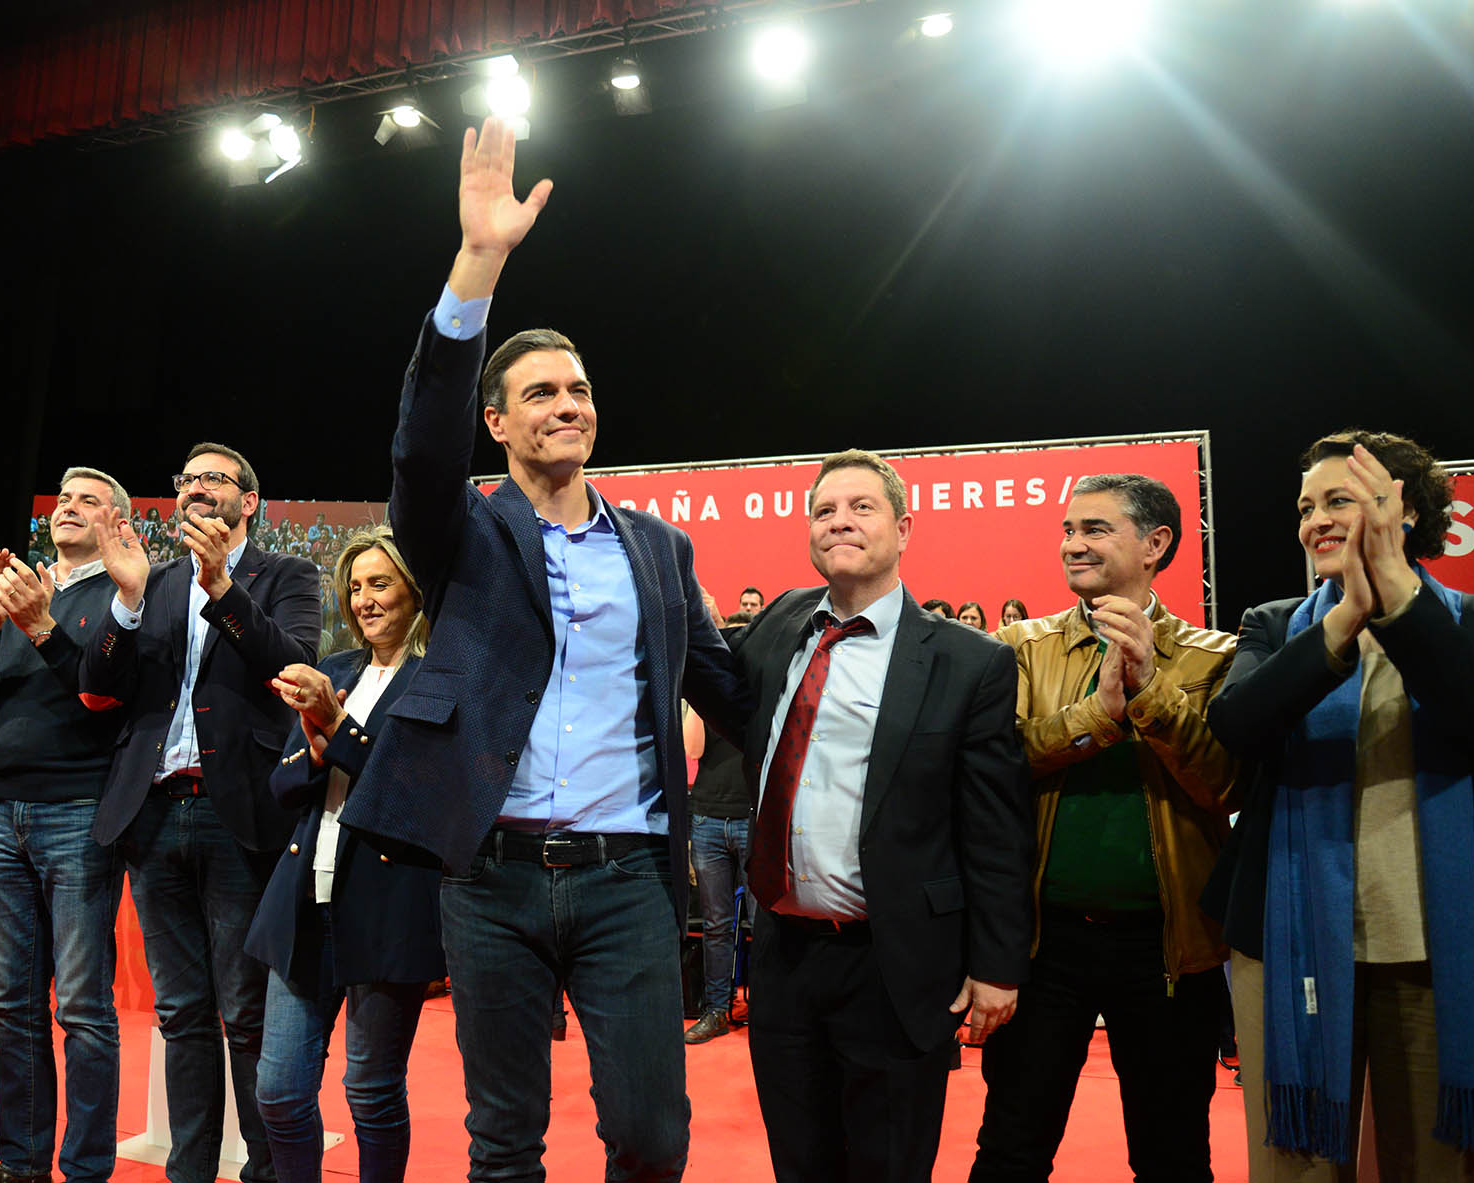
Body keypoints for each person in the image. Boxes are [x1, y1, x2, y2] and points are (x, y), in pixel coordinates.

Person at [334, 116, 751, 1182]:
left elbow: (724, 683)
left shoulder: (658, 548)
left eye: (578, 391)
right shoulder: (461, 528)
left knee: (652, 1140)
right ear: (497, 422)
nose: (566, 405)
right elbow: (417, 442)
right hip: (492, 876)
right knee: (502, 1139)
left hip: (627, 879)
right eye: (540, 394)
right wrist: (479, 261)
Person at [1202, 431, 1474, 1181]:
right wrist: (1343, 621)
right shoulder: (1275, 623)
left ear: (1401, 510)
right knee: (1296, 1168)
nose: (1315, 521)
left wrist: (1397, 604)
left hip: (1440, 947)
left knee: (1440, 1165)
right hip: (1289, 940)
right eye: (1306, 507)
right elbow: (1237, 725)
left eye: (1339, 499)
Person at [730, 449, 1033, 1181]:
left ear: (903, 529)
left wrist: (997, 965)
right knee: (800, 1165)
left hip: (894, 966)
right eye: (825, 510)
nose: (840, 521)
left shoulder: (969, 662)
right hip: (784, 960)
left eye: (861, 507)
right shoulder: (777, 625)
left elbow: (996, 831)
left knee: (889, 1166)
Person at [970, 473, 1238, 1183]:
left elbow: (1223, 781)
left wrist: (1152, 689)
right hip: (1040, 946)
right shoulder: (1016, 648)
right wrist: (1099, 718)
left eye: (1094, 528)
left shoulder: (1217, 657)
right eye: (1067, 529)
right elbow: (997, 766)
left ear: (1156, 544)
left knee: (1174, 1155)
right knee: (1010, 1149)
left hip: (1171, 952)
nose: (1072, 544)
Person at [80, 443, 320, 1183]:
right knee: (181, 1012)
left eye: (214, 478)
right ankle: (190, 1169)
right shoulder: (149, 581)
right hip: (153, 812)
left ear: (249, 500)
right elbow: (98, 683)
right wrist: (124, 600)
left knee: (245, 1014)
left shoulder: (287, 575)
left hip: (237, 814)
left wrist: (222, 588)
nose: (195, 488)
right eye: (186, 478)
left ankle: (268, 1169)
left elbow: (292, 662)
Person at [0, 466, 133, 1183]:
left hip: (78, 811)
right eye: (63, 498)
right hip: (4, 813)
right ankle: (21, 1165)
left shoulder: (124, 593)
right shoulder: (13, 593)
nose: (69, 507)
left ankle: (84, 1169)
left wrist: (41, 625)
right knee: (11, 1002)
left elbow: (102, 698)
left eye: (89, 499)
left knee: (81, 1004)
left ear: (116, 522)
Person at [246, 526, 445, 1183]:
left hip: (388, 907)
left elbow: (412, 793)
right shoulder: (334, 671)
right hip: (305, 901)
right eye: (355, 586)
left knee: (372, 1089)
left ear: (415, 590)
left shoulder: (438, 679)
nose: (364, 599)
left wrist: (338, 728)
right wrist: (318, 738)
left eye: (380, 583)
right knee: (276, 1089)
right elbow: (284, 785)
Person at [681, 611, 756, 1046]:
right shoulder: (706, 692)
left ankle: (764, 1009)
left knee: (760, 924)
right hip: (707, 815)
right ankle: (715, 1008)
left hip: (751, 816)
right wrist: (695, 693)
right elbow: (692, 748)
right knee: (715, 923)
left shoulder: (758, 693)